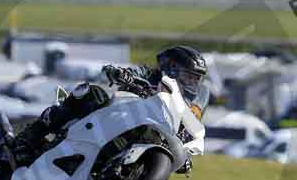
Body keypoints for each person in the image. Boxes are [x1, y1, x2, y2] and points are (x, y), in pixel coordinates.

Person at [12, 45, 208, 167]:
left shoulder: (190, 104)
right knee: (91, 93)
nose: (192, 82)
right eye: (188, 75)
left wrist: (185, 153)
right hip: (121, 115)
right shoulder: (151, 75)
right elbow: (125, 71)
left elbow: (192, 129)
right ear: (171, 68)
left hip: (150, 136)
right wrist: (120, 73)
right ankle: (30, 136)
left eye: (195, 78)